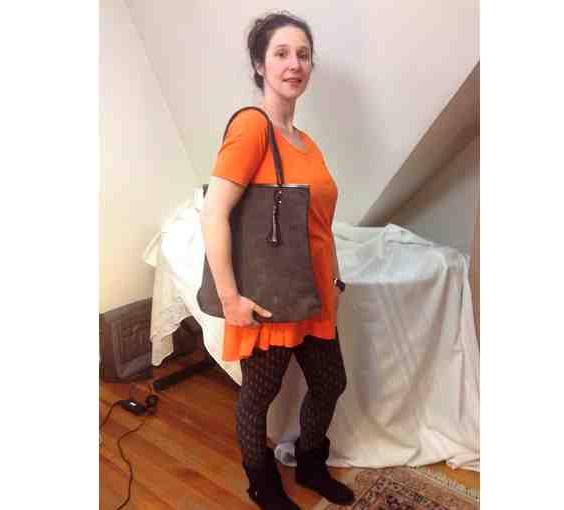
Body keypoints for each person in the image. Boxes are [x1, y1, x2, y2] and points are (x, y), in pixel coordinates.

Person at [200, 11, 355, 510]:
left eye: (303, 55)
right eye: (282, 54)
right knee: (259, 396)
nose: (295, 64)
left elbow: (318, 224)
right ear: (259, 65)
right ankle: (261, 482)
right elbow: (214, 212)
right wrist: (231, 300)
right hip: (272, 298)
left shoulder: (306, 142)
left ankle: (309, 463)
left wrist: (334, 280)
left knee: (330, 382)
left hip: (314, 293)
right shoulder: (252, 127)